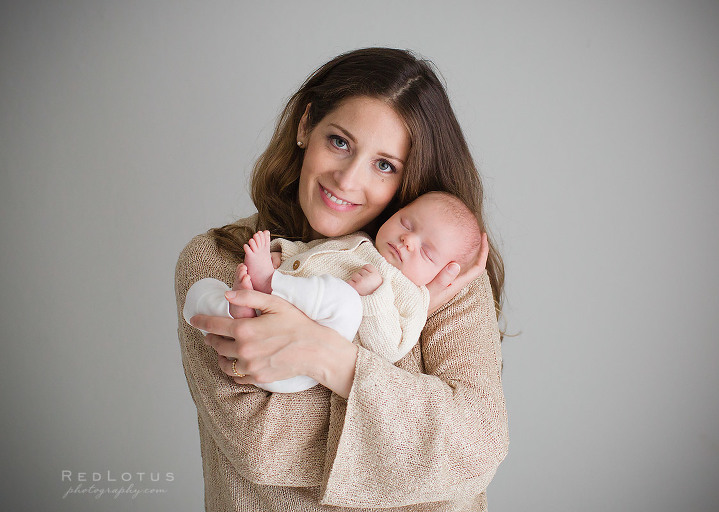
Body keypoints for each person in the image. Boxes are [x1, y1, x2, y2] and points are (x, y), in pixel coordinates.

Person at [175, 47, 508, 511]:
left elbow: (476, 449)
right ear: (306, 125)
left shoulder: (441, 276)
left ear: (407, 179)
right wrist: (417, 429)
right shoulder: (218, 261)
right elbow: (263, 446)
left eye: (384, 164)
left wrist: (326, 354)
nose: (348, 180)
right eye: (339, 142)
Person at [183, 191, 482, 393]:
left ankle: (268, 282)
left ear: (444, 273)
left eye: (427, 252)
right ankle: (244, 308)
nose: (407, 241)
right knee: (204, 293)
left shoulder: (411, 295)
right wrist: (284, 255)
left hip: (304, 359)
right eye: (406, 223)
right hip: (270, 323)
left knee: (346, 299)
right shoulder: (359, 242)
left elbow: (391, 348)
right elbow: (314, 254)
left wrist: (374, 296)